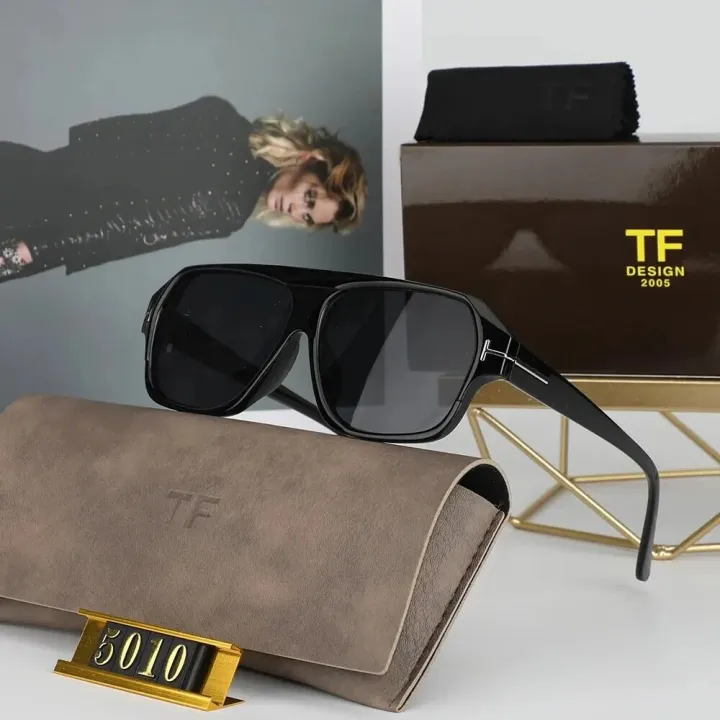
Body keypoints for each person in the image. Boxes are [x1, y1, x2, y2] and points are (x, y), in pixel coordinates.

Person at [0, 95, 368, 283]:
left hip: (39, 176)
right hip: (43, 224)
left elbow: (109, 135)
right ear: (312, 158)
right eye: (309, 196)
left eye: (307, 217)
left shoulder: (221, 114)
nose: (296, 211)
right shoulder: (230, 207)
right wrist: (37, 248)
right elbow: (127, 223)